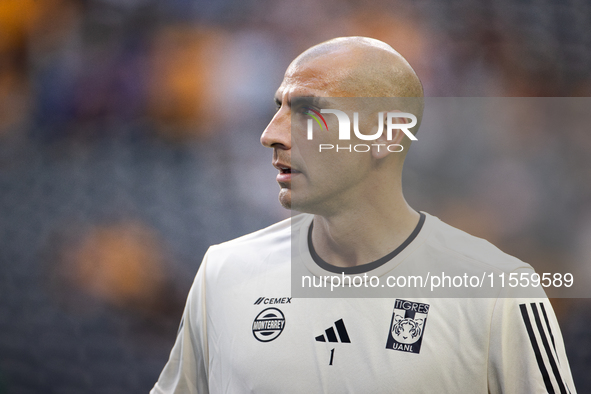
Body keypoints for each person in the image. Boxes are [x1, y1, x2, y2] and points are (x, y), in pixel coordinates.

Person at [151, 37, 576, 393]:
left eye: (308, 112)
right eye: (279, 108)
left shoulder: (498, 289)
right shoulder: (223, 273)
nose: (270, 134)